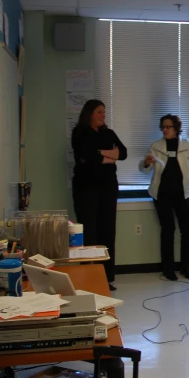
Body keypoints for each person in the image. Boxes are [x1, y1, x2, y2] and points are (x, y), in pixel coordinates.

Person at [140, 114, 189, 281]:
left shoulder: (187, 145)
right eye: (162, 127)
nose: (165, 130)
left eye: (168, 127)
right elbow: (144, 169)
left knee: (188, 229)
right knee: (168, 230)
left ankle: (186, 267)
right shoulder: (156, 146)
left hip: (182, 193)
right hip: (161, 194)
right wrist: (147, 163)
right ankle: (168, 269)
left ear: (176, 128)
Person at [71, 99, 127, 290]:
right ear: (89, 114)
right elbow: (85, 156)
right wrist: (110, 154)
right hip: (86, 187)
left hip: (108, 186)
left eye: (104, 112)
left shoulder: (108, 133)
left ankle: (106, 276)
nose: (103, 115)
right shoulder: (79, 132)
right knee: (89, 231)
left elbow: (124, 153)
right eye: (99, 112)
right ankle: (88, 274)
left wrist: (101, 155)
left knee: (107, 230)